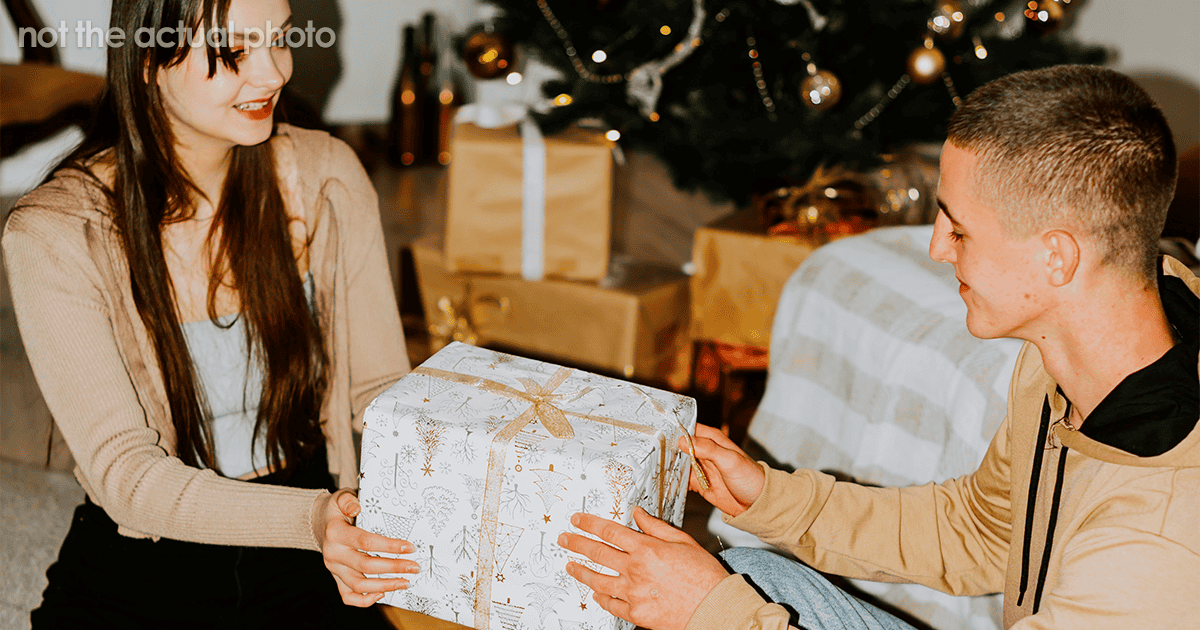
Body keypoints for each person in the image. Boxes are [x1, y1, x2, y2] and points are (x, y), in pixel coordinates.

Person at [560, 64, 1199, 630]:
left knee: (722, 603)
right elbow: (980, 530)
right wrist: (771, 498)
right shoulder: (1068, 356)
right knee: (757, 577)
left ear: (1056, 258)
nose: (937, 248)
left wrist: (712, 614)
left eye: (959, 229)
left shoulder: (1159, 539)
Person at [3, 0, 418, 626]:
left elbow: (385, 394)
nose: (273, 74)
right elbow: (128, 479)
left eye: (280, 39)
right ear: (148, 58)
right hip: (145, 565)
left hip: (311, 551)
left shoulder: (325, 176)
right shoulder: (57, 233)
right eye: (233, 51)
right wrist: (309, 519)